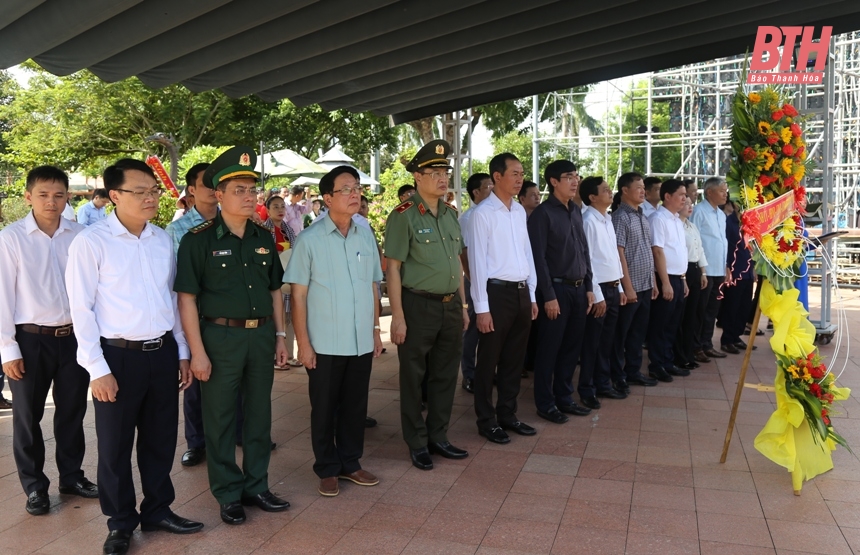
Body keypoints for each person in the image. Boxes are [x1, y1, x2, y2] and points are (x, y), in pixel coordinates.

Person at [66, 158, 202, 555]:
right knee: (114, 446)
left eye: (154, 191)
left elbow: (172, 300)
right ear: (114, 196)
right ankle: (121, 522)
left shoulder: (162, 239)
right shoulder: (91, 243)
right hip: (116, 357)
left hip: (160, 353)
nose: (150, 198)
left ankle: (159, 509)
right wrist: (97, 369)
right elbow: (81, 310)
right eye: (140, 191)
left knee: (160, 439)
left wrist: (181, 351)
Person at [175, 146, 290, 526]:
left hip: (260, 338)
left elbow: (275, 289)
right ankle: (227, 492)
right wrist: (197, 352)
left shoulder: (262, 236)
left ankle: (256, 485)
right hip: (219, 339)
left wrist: (279, 335)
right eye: (238, 189)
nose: (248, 196)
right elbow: (187, 299)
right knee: (221, 419)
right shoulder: (198, 239)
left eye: (251, 189)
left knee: (259, 416)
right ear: (218, 194)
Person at [0, 165, 97, 517]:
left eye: (58, 195)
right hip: (29, 340)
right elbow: (2, 298)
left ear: (67, 197)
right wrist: (7, 348)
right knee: (27, 417)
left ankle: (72, 477)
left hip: (73, 338)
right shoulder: (10, 239)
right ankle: (35, 487)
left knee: (72, 411)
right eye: (43, 194)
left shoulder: (81, 235)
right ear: (28, 196)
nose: (51, 201)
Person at [285, 166, 383, 497]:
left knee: (356, 405)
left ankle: (351, 463)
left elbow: (373, 284)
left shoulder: (365, 234)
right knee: (324, 407)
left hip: (359, 341)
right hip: (324, 343)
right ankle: (327, 467)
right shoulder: (310, 240)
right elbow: (298, 295)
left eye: (356, 188)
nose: (354, 194)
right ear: (327, 199)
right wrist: (304, 344)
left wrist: (375, 331)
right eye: (346, 189)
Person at [384, 140, 469, 470]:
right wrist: (398, 317)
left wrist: (461, 306)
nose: (442, 177)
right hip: (418, 305)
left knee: (446, 375)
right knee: (414, 376)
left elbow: (457, 265)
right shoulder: (403, 216)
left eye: (444, 171)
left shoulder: (450, 215)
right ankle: (417, 442)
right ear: (417, 176)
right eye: (434, 172)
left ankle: (439, 436)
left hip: (449, 306)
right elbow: (392, 268)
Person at [467, 152, 538, 444]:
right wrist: (481, 308)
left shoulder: (519, 212)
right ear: (497, 177)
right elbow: (477, 264)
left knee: (513, 359)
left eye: (522, 174)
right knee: (488, 361)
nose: (520, 179)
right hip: (495, 293)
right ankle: (486, 420)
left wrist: (532, 293)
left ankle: (508, 414)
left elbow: (527, 254)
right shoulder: (482, 214)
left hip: (521, 292)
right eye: (515, 173)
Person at [528, 160, 594, 423]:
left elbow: (584, 252)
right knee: (549, 349)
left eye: (576, 176)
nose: (575, 181)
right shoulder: (543, 214)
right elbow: (538, 258)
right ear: (554, 181)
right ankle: (545, 403)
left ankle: (565, 397)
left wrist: (589, 287)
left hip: (579, 289)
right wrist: (549, 295)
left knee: (571, 347)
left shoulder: (576, 210)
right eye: (569, 177)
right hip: (555, 289)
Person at [166, 163, 217, 468]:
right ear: (191, 191)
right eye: (206, 182)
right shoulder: (177, 230)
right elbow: (175, 282)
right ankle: (196, 442)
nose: (213, 187)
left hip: (229, 316)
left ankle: (236, 431)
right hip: (194, 317)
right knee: (196, 384)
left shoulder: (234, 222)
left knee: (235, 380)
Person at [578, 176, 628, 408]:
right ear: (592, 197)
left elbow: (612, 257)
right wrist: (597, 294)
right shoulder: (588, 220)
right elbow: (588, 261)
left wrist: (619, 286)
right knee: (592, 343)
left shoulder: (607, 219)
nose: (610, 192)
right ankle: (587, 388)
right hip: (598, 290)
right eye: (605, 190)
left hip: (612, 287)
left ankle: (602, 383)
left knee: (606, 342)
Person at [611, 173, 659, 391]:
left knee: (638, 333)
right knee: (621, 334)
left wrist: (654, 283)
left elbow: (648, 252)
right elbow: (618, 252)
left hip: (646, 284)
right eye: (638, 187)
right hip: (631, 287)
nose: (642, 191)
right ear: (625, 190)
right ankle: (617, 375)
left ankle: (633, 371)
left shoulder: (642, 216)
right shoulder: (621, 217)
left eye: (643, 188)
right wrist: (627, 287)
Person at [646, 179, 690, 382]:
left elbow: (679, 252)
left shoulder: (675, 219)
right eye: (681, 194)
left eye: (685, 195)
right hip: (666, 277)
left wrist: (684, 279)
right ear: (667, 196)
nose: (685, 198)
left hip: (678, 278)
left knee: (673, 324)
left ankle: (667, 361)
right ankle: (657, 364)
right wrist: (665, 282)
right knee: (661, 325)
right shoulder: (658, 219)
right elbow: (657, 251)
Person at [459, 172, 493, 393]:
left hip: (495, 282)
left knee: (491, 330)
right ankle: (469, 374)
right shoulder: (468, 217)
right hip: (475, 281)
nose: (492, 189)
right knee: (472, 330)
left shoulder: (497, 213)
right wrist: (474, 282)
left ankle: (487, 372)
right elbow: (465, 253)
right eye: (488, 186)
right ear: (476, 192)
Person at [691, 177, 730, 361]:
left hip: (718, 268)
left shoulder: (721, 215)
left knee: (712, 309)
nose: (725, 194)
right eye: (722, 190)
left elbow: (722, 242)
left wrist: (726, 267)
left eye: (726, 190)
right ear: (709, 192)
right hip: (704, 269)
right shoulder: (699, 211)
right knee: (701, 309)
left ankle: (707, 343)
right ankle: (695, 346)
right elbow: (694, 240)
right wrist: (701, 268)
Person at [261, 195, 300, 368]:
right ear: (267, 210)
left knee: (291, 316)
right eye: (275, 207)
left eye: (282, 206)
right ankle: (276, 356)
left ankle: (290, 355)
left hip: (289, 277)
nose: (280, 210)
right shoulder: (263, 231)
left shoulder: (289, 230)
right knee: (278, 317)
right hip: (272, 279)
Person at [674, 196, 709, 370]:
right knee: (681, 316)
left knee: (692, 315)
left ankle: (688, 353)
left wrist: (703, 272)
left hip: (695, 269)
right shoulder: (676, 225)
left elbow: (700, 249)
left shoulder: (691, 225)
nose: (689, 206)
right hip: (683, 270)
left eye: (690, 204)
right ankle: (679, 356)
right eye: (686, 203)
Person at [719, 198, 756, 354]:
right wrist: (727, 267)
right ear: (734, 205)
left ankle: (736, 336)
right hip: (735, 270)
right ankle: (727, 339)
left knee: (744, 306)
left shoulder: (749, 223)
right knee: (732, 306)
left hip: (747, 270)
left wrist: (753, 268)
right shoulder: (729, 223)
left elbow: (752, 248)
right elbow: (725, 247)